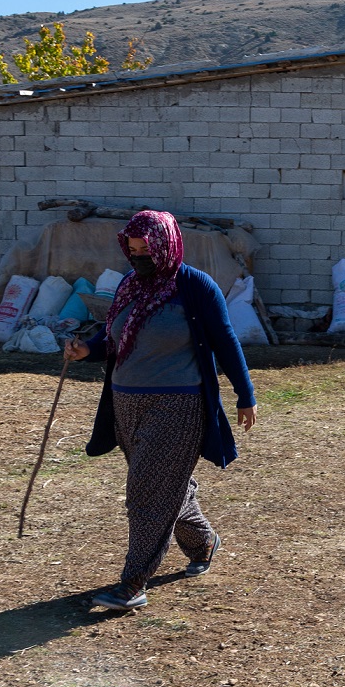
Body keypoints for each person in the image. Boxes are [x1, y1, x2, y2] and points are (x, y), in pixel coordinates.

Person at [63, 210, 259, 611]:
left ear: (166, 246)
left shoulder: (195, 287)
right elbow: (112, 337)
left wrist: (245, 393)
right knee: (162, 483)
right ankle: (203, 542)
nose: (138, 258)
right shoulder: (129, 286)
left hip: (178, 404)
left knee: (146, 493)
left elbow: (225, 340)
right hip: (126, 403)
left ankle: (133, 582)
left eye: (145, 251)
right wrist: (87, 349)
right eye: (131, 251)